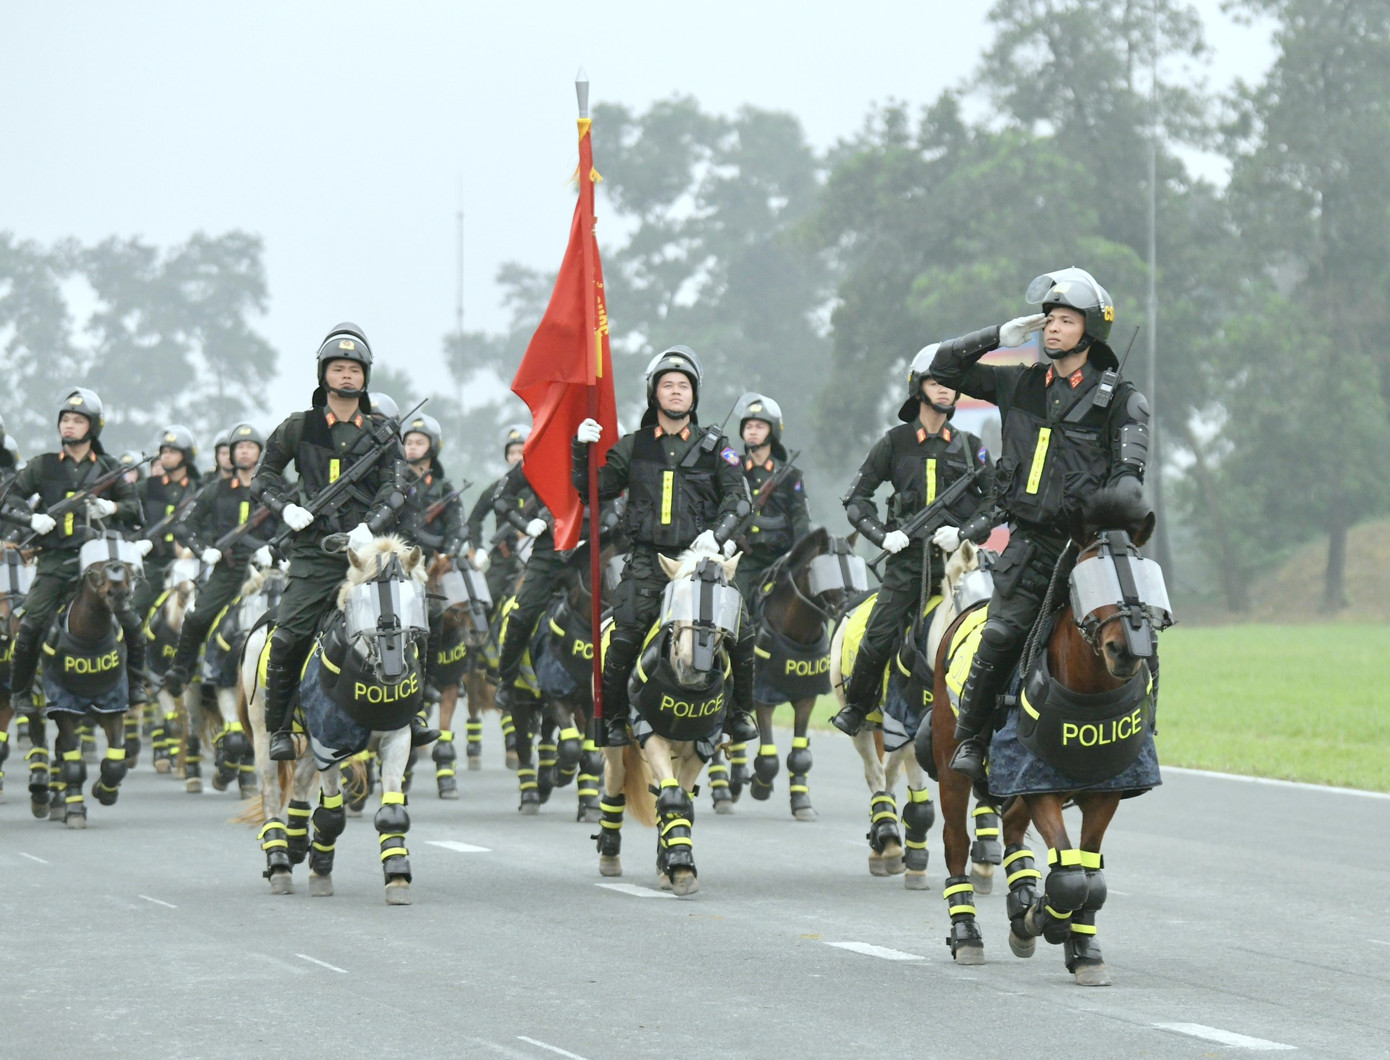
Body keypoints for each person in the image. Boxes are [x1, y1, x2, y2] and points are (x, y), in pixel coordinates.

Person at [928, 267, 1149, 780]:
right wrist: (995, 336)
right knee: (1001, 634)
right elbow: (942, 369)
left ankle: (1140, 737)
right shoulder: (1019, 382)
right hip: (1028, 545)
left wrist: (1110, 523)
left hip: (1089, 548)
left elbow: (1130, 479)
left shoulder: (1121, 399)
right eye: (1048, 319)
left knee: (1137, 635)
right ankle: (972, 740)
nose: (1050, 328)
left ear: (1090, 330)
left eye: (1065, 320)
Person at [571, 344, 759, 747]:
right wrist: (580, 450)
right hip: (646, 562)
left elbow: (740, 500)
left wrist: (718, 534)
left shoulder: (716, 447)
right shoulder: (633, 445)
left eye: (684, 386)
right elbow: (594, 491)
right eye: (668, 385)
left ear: (695, 395)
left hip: (700, 565)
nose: (676, 392)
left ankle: (739, 715)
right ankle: (614, 719)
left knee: (743, 632)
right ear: (654, 393)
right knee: (624, 635)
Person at [251, 322, 405, 761]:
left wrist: (371, 526)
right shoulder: (299, 427)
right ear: (324, 374)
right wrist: (285, 508)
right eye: (338, 368)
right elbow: (263, 478)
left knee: (408, 624)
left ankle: (410, 712)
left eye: (354, 369)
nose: (346, 376)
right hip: (313, 556)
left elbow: (396, 488)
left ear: (365, 377)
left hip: (366, 557)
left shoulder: (382, 432)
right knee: (285, 638)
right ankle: (279, 728)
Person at [832, 347, 994, 736]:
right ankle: (858, 706)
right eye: (935, 382)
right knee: (878, 633)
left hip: (961, 566)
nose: (944, 390)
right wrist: (883, 536)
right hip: (906, 565)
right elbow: (856, 499)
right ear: (917, 387)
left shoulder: (974, 447)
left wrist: (964, 533)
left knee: (997, 630)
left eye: (950, 384)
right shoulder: (894, 442)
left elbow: (996, 504)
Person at [5, 388, 151, 719]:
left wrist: (109, 505)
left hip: (98, 559)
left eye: (77, 420)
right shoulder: (42, 466)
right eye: (65, 419)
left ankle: (135, 684)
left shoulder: (110, 469)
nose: (69, 426)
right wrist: (33, 518)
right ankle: (22, 690)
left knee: (130, 617)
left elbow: (135, 512)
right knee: (30, 623)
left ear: (93, 427)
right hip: (55, 559)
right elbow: (9, 500)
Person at [161, 422, 277, 697]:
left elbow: (291, 524)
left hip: (268, 572)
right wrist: (204, 550)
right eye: (239, 447)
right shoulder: (216, 490)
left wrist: (274, 549)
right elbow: (182, 526)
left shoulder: (274, 488)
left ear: (259, 452)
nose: (245, 452)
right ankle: (182, 669)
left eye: (250, 447)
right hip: (228, 570)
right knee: (197, 616)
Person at [729, 393, 811, 603]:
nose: (753, 432)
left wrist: (798, 555)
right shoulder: (732, 470)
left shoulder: (791, 475)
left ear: (772, 431)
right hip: (742, 561)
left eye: (759, 426)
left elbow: (800, 517)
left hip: (780, 560)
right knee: (733, 608)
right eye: (748, 427)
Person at [132, 425, 201, 620]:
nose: (166, 456)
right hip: (153, 562)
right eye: (163, 451)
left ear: (186, 455)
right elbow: (130, 518)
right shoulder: (146, 488)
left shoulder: (199, 489)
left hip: (190, 565)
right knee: (136, 609)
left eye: (172, 452)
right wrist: (139, 540)